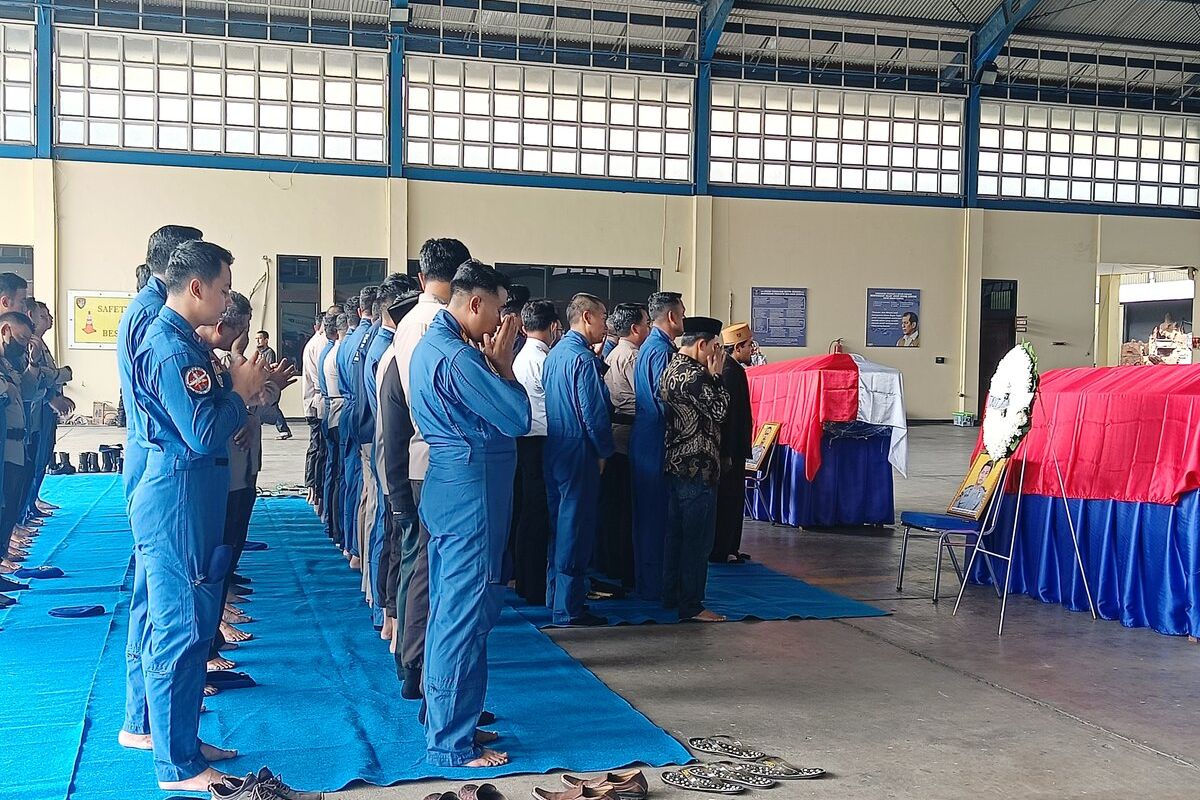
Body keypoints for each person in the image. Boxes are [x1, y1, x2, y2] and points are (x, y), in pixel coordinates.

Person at [121, 240, 270, 791]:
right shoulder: (169, 347)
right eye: (226, 287)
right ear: (197, 288)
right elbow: (202, 429)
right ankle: (176, 763)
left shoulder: (179, 339)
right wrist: (240, 392)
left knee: (187, 620)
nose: (228, 298)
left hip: (190, 491)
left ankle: (177, 738)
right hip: (178, 495)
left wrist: (237, 392)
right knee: (180, 629)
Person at [409, 259, 530, 768]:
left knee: (453, 610)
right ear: (474, 302)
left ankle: (450, 717)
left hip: (452, 485)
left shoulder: (433, 346)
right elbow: (519, 416)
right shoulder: (459, 358)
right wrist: (502, 369)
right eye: (499, 310)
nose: (502, 323)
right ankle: (450, 741)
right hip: (471, 491)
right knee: (463, 614)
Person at [392, 238, 471, 699]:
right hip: (434, 457)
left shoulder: (412, 323)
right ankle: (421, 666)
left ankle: (416, 661)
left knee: (422, 564)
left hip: (423, 455)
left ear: (421, 278)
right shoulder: (434, 327)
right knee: (429, 568)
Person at [542, 293, 613, 626]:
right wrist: (603, 450)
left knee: (559, 526)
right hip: (578, 448)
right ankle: (569, 608)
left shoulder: (555, 354)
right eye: (603, 317)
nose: (606, 324)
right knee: (575, 527)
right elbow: (592, 412)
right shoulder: (582, 360)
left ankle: (554, 595)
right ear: (587, 317)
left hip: (555, 444)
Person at [661, 316, 730, 623]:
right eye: (717, 348)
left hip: (676, 462)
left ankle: (673, 594)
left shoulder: (671, 367)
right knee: (696, 540)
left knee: (677, 535)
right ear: (703, 345)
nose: (719, 355)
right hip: (697, 466)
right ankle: (692, 604)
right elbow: (720, 410)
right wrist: (717, 377)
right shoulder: (696, 377)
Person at [369, 280, 419, 644]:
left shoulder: (391, 352)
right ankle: (394, 621)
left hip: (392, 463)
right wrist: (396, 482)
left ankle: (391, 616)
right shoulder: (394, 358)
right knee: (399, 547)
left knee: (396, 544)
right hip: (396, 466)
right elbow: (393, 429)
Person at [629, 291, 685, 601]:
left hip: (647, 437)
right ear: (673, 317)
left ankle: (649, 582)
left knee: (649, 517)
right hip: (656, 440)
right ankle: (656, 586)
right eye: (683, 312)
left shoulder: (652, 347)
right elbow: (665, 401)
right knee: (656, 517)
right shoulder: (660, 351)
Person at [510, 298, 559, 605]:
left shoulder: (521, 355)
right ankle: (534, 583)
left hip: (526, 441)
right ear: (554, 327)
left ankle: (528, 580)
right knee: (536, 515)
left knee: (529, 513)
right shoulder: (542, 360)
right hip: (538, 442)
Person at [598, 302, 648, 586]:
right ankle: (622, 566)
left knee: (614, 506)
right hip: (626, 434)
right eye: (646, 323)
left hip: (616, 433)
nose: (649, 328)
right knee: (623, 508)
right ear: (635, 328)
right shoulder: (633, 356)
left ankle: (611, 562)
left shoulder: (615, 351)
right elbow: (645, 396)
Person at [711, 323, 754, 564]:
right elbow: (726, 416)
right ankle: (722, 548)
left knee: (735, 498)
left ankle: (731, 546)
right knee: (727, 499)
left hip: (736, 448)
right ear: (737, 347)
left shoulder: (734, 369)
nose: (752, 350)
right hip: (730, 449)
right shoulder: (729, 372)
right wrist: (726, 451)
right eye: (748, 346)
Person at [0, 312, 34, 580]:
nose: (23, 345)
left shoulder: (8, 364)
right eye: (20, 339)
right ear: (5, 331)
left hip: (15, 443)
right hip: (5, 443)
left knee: (9, 504)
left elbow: (26, 391)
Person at [336, 295, 368, 565]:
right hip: (362, 413)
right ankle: (355, 546)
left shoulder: (347, 342)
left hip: (350, 410)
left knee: (351, 480)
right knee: (358, 482)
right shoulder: (368, 339)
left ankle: (349, 542)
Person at [317, 314, 347, 546]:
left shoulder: (330, 351)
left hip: (331, 411)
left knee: (332, 470)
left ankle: (330, 520)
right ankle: (334, 526)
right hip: (337, 413)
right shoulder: (337, 353)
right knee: (337, 473)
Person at [301, 314, 327, 511]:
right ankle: (314, 487)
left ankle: (312, 486)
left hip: (313, 400)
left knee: (315, 447)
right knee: (318, 448)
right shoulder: (321, 344)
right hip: (318, 402)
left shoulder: (313, 342)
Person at [254, 330, 292, 439]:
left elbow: (269, 368)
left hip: (269, 383)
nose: (257, 341)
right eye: (256, 339)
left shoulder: (269, 352)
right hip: (261, 383)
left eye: (260, 338)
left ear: (266, 340)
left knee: (272, 406)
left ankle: (284, 430)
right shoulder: (259, 353)